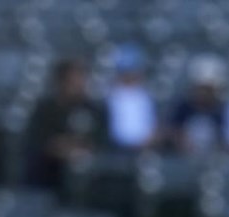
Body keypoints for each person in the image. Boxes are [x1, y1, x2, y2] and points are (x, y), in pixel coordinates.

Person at [26, 58, 106, 191]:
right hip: (48, 175)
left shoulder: (93, 109)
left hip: (88, 176)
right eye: (73, 81)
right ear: (61, 82)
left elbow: (99, 142)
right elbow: (42, 142)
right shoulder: (45, 109)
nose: (80, 85)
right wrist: (66, 150)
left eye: (82, 79)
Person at [167, 54, 229, 156]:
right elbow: (172, 130)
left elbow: (225, 139)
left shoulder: (220, 110)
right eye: (201, 88)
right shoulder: (183, 108)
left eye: (208, 89)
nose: (204, 93)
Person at [106, 44, 159, 151]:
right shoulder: (112, 95)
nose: (130, 74)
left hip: (144, 147)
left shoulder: (145, 96)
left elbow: (150, 124)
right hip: (116, 148)